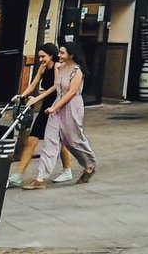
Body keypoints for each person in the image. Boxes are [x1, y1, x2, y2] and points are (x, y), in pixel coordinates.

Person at [24, 45, 95, 188]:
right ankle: (41, 178)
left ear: (71, 55)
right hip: (57, 107)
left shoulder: (77, 71)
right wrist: (38, 98)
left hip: (71, 107)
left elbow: (71, 93)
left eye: (62, 53)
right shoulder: (60, 67)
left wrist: (54, 107)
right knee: (50, 141)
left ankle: (90, 165)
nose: (60, 55)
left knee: (73, 141)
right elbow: (56, 87)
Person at [11, 45, 73, 185]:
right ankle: (18, 175)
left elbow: (56, 87)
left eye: (43, 56)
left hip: (57, 108)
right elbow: (33, 84)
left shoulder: (58, 67)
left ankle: (67, 170)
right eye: (39, 56)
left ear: (51, 56)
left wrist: (36, 99)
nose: (41, 59)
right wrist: (23, 95)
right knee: (32, 140)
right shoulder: (43, 68)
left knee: (60, 143)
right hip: (46, 108)